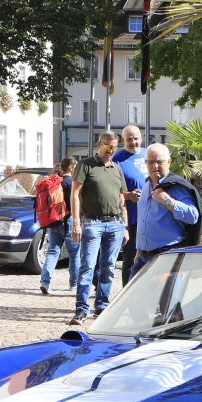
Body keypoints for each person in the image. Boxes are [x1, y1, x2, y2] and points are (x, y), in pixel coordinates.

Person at [70, 132, 128, 325]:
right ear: (99, 145)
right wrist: (76, 223)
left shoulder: (116, 168)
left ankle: (102, 306)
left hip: (115, 224)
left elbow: (121, 198)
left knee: (108, 267)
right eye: (108, 147)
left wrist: (125, 225)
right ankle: (81, 309)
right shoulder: (85, 165)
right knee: (87, 266)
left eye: (114, 147)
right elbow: (75, 194)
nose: (111, 151)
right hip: (92, 223)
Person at [132, 144, 202, 275]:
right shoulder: (146, 184)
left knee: (166, 289)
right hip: (143, 255)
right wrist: (139, 249)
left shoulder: (176, 186)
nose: (155, 166)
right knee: (133, 288)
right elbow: (143, 219)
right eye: (150, 162)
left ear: (169, 162)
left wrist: (167, 200)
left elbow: (193, 216)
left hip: (167, 255)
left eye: (159, 162)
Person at [35, 159, 80, 297]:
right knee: (74, 253)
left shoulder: (57, 181)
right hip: (68, 221)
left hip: (54, 222)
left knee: (53, 252)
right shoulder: (70, 182)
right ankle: (74, 284)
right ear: (71, 167)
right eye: (76, 166)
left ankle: (45, 282)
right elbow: (72, 204)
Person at [113, 124, 147, 284]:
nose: (133, 142)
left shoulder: (148, 154)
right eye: (129, 139)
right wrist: (128, 195)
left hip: (152, 216)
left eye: (136, 138)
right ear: (123, 140)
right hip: (132, 218)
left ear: (141, 138)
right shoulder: (117, 160)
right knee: (130, 260)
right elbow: (112, 191)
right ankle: (127, 293)